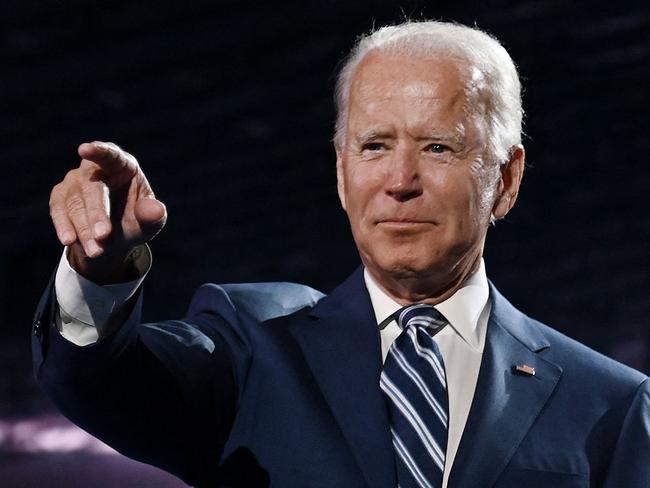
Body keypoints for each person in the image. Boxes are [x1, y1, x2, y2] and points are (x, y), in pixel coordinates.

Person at [33, 21, 648, 488]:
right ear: (340, 172)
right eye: (374, 146)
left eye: (438, 147)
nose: (399, 179)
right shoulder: (251, 349)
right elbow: (101, 387)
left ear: (506, 180)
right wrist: (99, 267)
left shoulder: (609, 407)